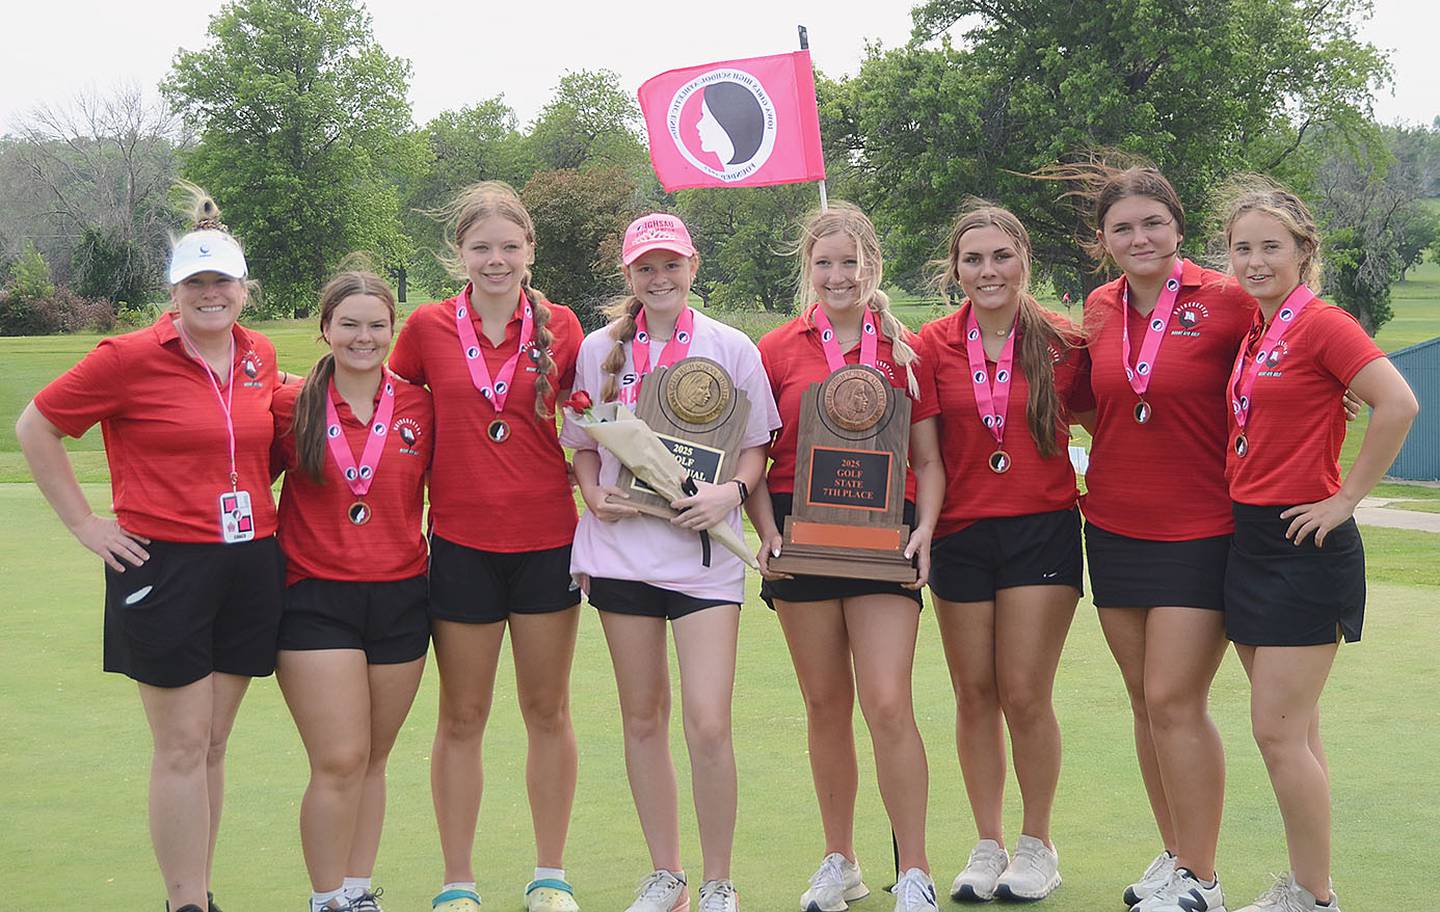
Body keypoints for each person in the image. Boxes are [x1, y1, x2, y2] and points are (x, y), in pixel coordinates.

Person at [15, 188, 285, 912]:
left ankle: (200, 890)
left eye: (221, 281)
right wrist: (85, 524)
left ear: (242, 288)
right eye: (194, 282)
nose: (209, 294)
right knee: (180, 746)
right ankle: (184, 904)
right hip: (162, 565)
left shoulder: (260, 354)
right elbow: (35, 427)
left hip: (249, 560)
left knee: (214, 745)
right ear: (173, 290)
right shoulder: (127, 357)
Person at [1034, 160, 1255, 912]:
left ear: (1178, 227)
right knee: (1142, 699)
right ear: (1103, 240)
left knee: (1174, 699)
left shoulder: (1226, 299)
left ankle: (1204, 878)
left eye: (1152, 223)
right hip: (1117, 523)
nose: (1140, 237)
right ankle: (1174, 855)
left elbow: (1289, 368)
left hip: (1203, 526)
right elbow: (1098, 401)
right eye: (1123, 227)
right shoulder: (1098, 308)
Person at [562, 212, 778, 912]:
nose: (659, 278)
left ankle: (718, 879)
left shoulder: (731, 346)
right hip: (624, 554)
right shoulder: (599, 349)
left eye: (670, 264)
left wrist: (731, 494)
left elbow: (756, 445)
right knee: (643, 717)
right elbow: (585, 443)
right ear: (628, 275)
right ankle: (669, 875)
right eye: (645, 268)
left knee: (708, 722)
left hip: (704, 554)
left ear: (692, 265)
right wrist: (592, 493)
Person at [1217, 177, 1416, 912]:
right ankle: (1308, 886)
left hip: (1305, 543)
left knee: (1275, 735)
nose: (1255, 260)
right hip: (1250, 540)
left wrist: (1346, 497)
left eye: (1272, 246)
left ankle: (1313, 894)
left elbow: (1399, 403)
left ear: (1304, 252)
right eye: (1243, 248)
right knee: (1297, 735)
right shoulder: (1258, 329)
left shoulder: (1323, 324)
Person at [386, 181, 585, 912]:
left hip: (548, 543)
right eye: (481, 247)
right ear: (458, 255)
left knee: (547, 711)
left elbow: (593, 425)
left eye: (509, 246)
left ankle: (550, 875)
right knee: (462, 716)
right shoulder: (428, 329)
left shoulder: (563, 327)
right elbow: (387, 412)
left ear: (530, 251)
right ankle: (458, 883)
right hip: (462, 543)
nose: (495, 259)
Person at [751, 201, 945, 912]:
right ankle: (842, 861)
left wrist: (925, 528)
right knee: (825, 704)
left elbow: (929, 456)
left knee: (889, 702)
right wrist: (765, 532)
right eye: (824, 263)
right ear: (809, 269)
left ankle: (916, 868)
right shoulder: (774, 350)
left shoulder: (907, 350)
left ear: (872, 266)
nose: (838, 275)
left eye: (849, 262)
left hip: (885, 538)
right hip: (801, 537)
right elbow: (754, 453)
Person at [919, 202, 1089, 904]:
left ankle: (1036, 843)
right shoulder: (929, 345)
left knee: (1023, 692)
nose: (988, 271)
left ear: (1025, 260)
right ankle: (986, 844)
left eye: (1001, 256)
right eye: (973, 259)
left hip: (1041, 528)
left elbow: (1122, 416)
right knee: (974, 694)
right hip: (960, 531)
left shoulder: (1064, 342)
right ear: (955, 269)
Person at [271, 268, 433, 912]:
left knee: (371, 758)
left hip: (401, 598)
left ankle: (359, 892)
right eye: (349, 324)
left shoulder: (420, 404)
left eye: (377, 325)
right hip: (314, 599)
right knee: (338, 758)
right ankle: (326, 897)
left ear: (393, 331)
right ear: (325, 330)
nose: (364, 337)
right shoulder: (291, 405)